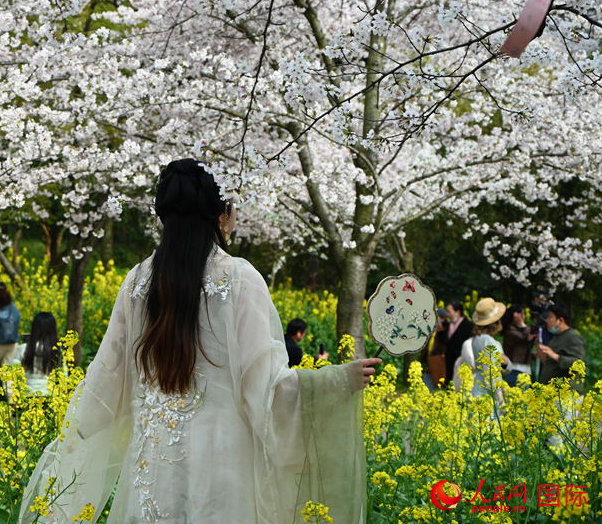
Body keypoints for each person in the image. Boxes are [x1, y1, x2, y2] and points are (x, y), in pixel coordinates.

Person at [19, 159, 379, 524]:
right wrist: (335, 382)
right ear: (222, 215)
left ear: (163, 218)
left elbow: (106, 380)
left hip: (149, 472)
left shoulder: (138, 281)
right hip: (223, 475)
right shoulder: (239, 279)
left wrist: (74, 437)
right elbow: (269, 393)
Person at [452, 298, 510, 405]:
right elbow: (491, 372)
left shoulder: (476, 339)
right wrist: (500, 399)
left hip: (476, 387)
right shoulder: (489, 341)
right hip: (487, 392)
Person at [537, 305, 587, 393]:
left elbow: (579, 362)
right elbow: (548, 361)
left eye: (550, 317)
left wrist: (555, 356)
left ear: (561, 320)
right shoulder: (557, 337)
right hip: (553, 393)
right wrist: (537, 344)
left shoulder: (574, 337)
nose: (546, 320)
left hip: (568, 395)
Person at [14, 312, 61, 394]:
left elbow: (11, 373)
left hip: (26, 396)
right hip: (49, 397)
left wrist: (11, 398)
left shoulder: (23, 349)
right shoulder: (57, 351)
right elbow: (63, 378)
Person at [439, 301, 473, 386]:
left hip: (462, 362)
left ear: (458, 312)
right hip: (448, 363)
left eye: (449, 311)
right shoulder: (446, 325)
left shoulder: (468, 326)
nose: (447, 314)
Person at [501, 304, 534, 388]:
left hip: (522, 371)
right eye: (523, 314)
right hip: (516, 371)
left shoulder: (516, 329)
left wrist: (532, 355)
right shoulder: (511, 330)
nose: (524, 316)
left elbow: (519, 349)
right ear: (516, 315)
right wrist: (522, 324)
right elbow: (528, 337)